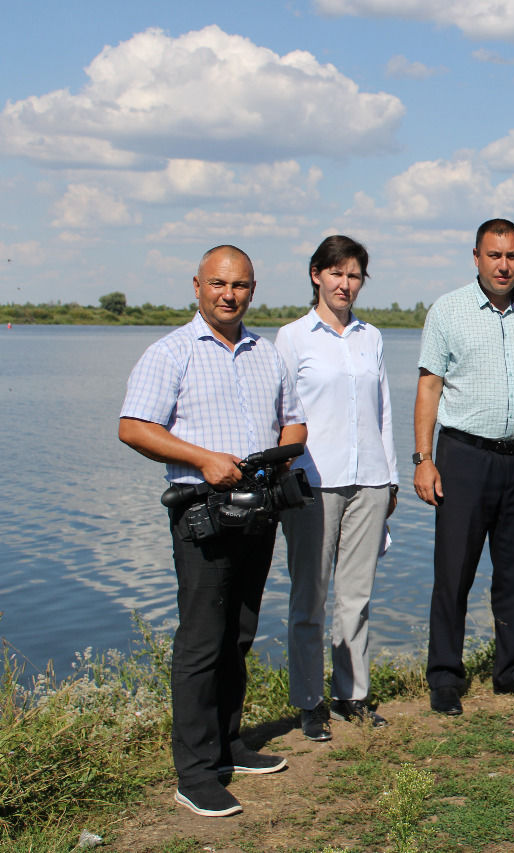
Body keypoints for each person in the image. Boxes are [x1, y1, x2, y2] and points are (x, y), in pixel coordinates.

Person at [119, 245, 306, 817]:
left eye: (242, 286)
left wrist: (282, 455)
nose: (230, 295)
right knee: (201, 641)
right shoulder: (170, 352)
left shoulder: (266, 354)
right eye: (220, 284)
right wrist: (203, 459)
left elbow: (293, 419)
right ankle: (194, 772)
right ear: (197, 286)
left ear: (254, 290)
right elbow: (132, 427)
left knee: (240, 633)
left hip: (257, 508)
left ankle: (228, 745)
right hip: (203, 512)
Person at [413, 219, 514, 716]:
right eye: (494, 255)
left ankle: (512, 670)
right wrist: (423, 459)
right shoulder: (448, 311)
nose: (504, 265)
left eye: (513, 256)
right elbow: (429, 387)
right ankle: (445, 677)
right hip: (464, 457)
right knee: (453, 571)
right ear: (475, 256)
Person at [275, 236, 398, 741]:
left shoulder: (371, 337)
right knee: (311, 597)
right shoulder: (292, 338)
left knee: (357, 597)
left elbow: (383, 412)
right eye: (337, 274)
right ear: (316, 275)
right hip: (313, 484)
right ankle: (309, 701)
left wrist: (390, 477)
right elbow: (281, 415)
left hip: (369, 480)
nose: (345, 284)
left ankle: (353, 695)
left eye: (354, 276)